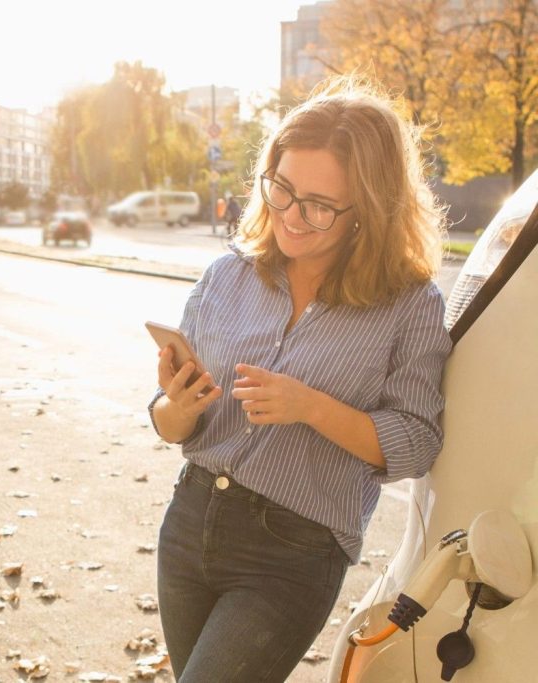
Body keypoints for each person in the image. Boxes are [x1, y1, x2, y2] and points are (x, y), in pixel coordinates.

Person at [149, 77, 451, 683]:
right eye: (282, 189)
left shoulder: (410, 304)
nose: (290, 216)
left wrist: (311, 406)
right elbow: (166, 420)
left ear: (369, 209)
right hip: (189, 522)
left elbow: (418, 443)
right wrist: (177, 408)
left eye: (318, 205)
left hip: (291, 555)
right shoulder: (226, 275)